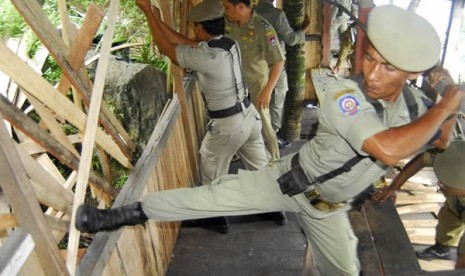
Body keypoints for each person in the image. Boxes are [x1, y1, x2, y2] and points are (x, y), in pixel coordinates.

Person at [75, 5, 465, 275]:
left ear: (411, 74)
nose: (374, 74)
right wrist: (445, 101)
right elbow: (386, 148)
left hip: (329, 210)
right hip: (286, 184)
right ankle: (122, 215)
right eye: (371, 59)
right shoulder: (344, 95)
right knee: (206, 197)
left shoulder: (416, 106)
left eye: (388, 66)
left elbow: (442, 141)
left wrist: (442, 100)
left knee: (344, 270)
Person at [134, 0, 269, 233]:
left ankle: (215, 218)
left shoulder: (208, 58)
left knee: (211, 170)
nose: (193, 32)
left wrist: (147, 12)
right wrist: (155, 17)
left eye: (195, 27)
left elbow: (168, 48)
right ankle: (273, 208)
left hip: (228, 126)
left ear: (201, 28)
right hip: (249, 119)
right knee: (260, 169)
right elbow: (183, 43)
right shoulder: (229, 45)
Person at [373, 140, 465, 269]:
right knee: (448, 220)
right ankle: (442, 249)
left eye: (449, 183)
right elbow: (421, 159)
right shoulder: (452, 153)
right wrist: (394, 187)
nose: (442, 185)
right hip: (456, 202)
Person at [223, 0, 284, 166]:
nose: (225, 11)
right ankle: (239, 152)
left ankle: (274, 158)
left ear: (241, 7)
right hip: (234, 84)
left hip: (257, 85)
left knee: (263, 122)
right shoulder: (228, 22)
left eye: (228, 7)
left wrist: (267, 91)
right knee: (235, 119)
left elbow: (278, 63)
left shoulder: (263, 29)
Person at [254, 0, 311, 136]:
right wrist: (304, 30)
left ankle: (258, 134)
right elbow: (291, 39)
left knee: (257, 100)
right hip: (275, 66)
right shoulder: (277, 15)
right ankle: (271, 135)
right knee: (277, 99)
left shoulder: (251, 12)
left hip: (255, 65)